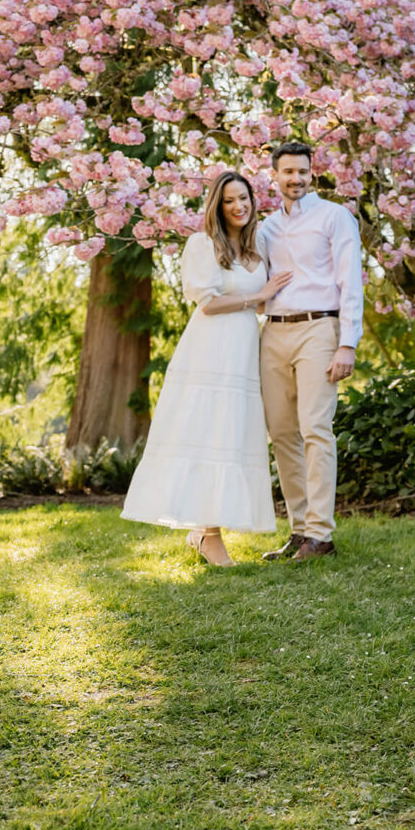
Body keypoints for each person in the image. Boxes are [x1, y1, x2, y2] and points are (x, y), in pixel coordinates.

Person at [122, 171, 289, 566]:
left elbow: (264, 301)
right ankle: (209, 534)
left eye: (244, 198)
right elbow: (209, 304)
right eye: (230, 200)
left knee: (232, 431)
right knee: (209, 427)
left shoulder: (258, 245)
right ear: (218, 205)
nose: (239, 206)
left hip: (246, 346)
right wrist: (259, 295)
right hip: (211, 346)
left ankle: (203, 531)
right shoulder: (203, 244)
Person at [257, 141, 364, 562]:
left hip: (320, 327)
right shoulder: (265, 228)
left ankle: (322, 534)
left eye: (302, 171)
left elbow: (350, 281)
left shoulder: (335, 217)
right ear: (275, 176)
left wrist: (347, 343)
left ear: (311, 173)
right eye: (287, 172)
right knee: (282, 433)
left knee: (315, 430)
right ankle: (300, 530)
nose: (295, 179)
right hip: (274, 331)